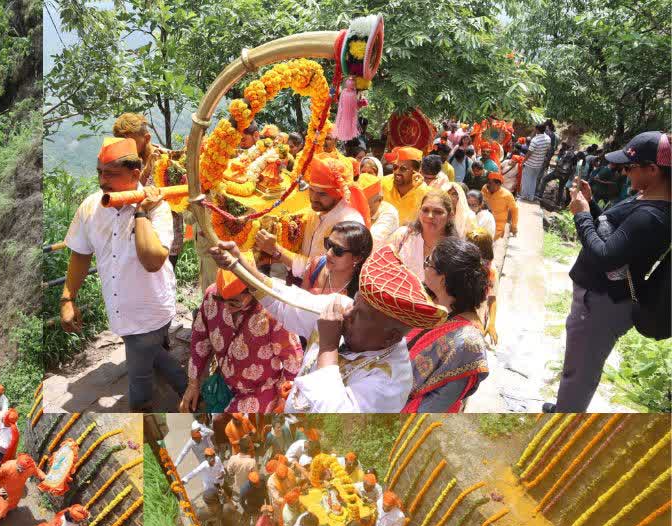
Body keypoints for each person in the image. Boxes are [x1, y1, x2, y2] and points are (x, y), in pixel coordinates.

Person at [209, 242, 445, 412]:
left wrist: (329, 347)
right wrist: (240, 267)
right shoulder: (345, 308)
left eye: (360, 313)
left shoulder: (391, 379)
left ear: (389, 337)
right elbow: (287, 302)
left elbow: (330, 414)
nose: (348, 312)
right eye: (356, 302)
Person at [60, 136, 186, 411]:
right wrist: (67, 298)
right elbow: (81, 254)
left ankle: (143, 410)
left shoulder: (158, 208)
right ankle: (190, 390)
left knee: (139, 374)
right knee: (152, 355)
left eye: (112, 175)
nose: (103, 181)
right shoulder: (91, 207)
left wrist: (140, 211)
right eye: (100, 173)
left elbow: (152, 260)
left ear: (135, 174)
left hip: (150, 311)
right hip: (119, 310)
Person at [549, 132, 671, 412]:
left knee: (580, 372)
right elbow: (614, 239)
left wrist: (581, 215)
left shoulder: (651, 217)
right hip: (601, 299)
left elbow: (606, 256)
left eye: (630, 167)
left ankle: (564, 422)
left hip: (604, 303)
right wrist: (590, 205)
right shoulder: (646, 201)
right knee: (577, 365)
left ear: (652, 170)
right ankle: (563, 407)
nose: (625, 173)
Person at [181, 269, 302, 413]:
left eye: (234, 302)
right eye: (221, 300)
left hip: (259, 391)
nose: (225, 307)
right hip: (224, 381)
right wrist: (193, 383)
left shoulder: (273, 313)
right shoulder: (212, 295)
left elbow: (293, 362)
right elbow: (200, 339)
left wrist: (284, 401)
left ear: (252, 291)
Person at [404, 238, 491, 411]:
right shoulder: (427, 303)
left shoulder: (466, 344)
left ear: (443, 280)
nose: (424, 266)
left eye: (428, 262)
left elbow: (434, 406)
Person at [256, 157, 370, 282]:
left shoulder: (349, 224)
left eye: (322, 194)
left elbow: (322, 269)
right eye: (311, 190)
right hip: (297, 279)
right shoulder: (317, 209)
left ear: (339, 194)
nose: (314, 198)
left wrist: (276, 251)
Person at [386, 189, 459, 281]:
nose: (430, 216)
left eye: (438, 212)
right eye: (425, 210)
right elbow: (383, 267)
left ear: (450, 216)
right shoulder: (403, 236)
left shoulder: (455, 252)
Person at [0, 453, 45, 526]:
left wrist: (44, 477)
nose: (20, 470)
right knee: (2, 506)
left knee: (12, 504)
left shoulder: (31, 467)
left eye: (23, 469)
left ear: (27, 467)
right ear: (17, 462)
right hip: (4, 490)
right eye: (19, 467)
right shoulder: (8, 466)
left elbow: (37, 471)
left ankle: (6, 511)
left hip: (17, 491)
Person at [381, 146, 428, 224]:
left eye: (403, 169)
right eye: (395, 167)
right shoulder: (383, 183)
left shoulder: (425, 194)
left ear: (416, 171)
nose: (396, 172)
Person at [481, 172, 518, 241]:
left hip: (498, 225)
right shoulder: (484, 188)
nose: (487, 185)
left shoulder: (507, 195)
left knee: (487, 240)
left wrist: (514, 226)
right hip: (484, 221)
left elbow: (514, 210)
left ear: (498, 184)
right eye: (487, 182)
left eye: (490, 183)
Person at [520, 123, 551, 201]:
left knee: (526, 179)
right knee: (533, 180)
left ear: (537, 129)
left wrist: (523, 161)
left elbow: (529, 153)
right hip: (539, 163)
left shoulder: (535, 140)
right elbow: (548, 149)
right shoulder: (548, 138)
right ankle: (530, 197)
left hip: (530, 163)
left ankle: (524, 195)